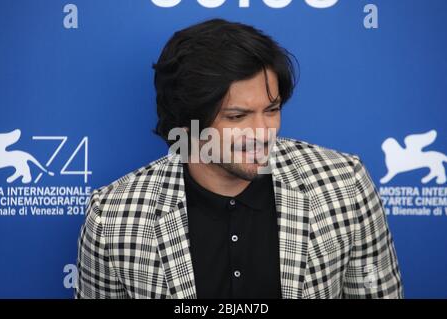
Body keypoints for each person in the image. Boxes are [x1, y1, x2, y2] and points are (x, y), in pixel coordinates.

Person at [75, 18, 403, 299]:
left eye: (272, 110)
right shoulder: (114, 217)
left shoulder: (346, 185)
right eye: (236, 117)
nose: (262, 132)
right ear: (187, 123)